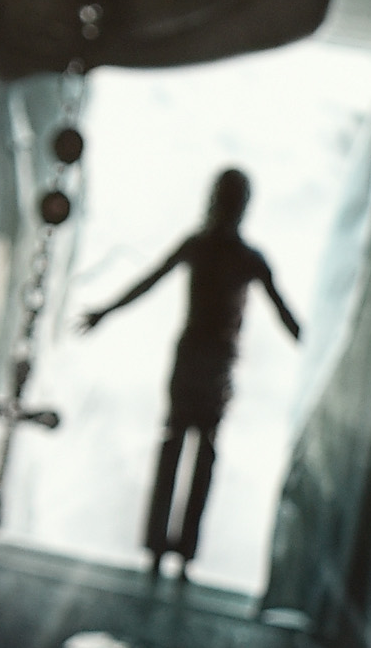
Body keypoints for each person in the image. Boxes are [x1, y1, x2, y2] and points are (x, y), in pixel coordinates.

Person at [80, 165, 300, 576]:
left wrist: (104, 312)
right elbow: (285, 314)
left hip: (198, 361)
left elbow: (148, 282)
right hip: (214, 364)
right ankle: (178, 554)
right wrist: (312, 348)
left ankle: (161, 551)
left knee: (177, 447)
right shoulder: (244, 257)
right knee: (200, 453)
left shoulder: (204, 247)